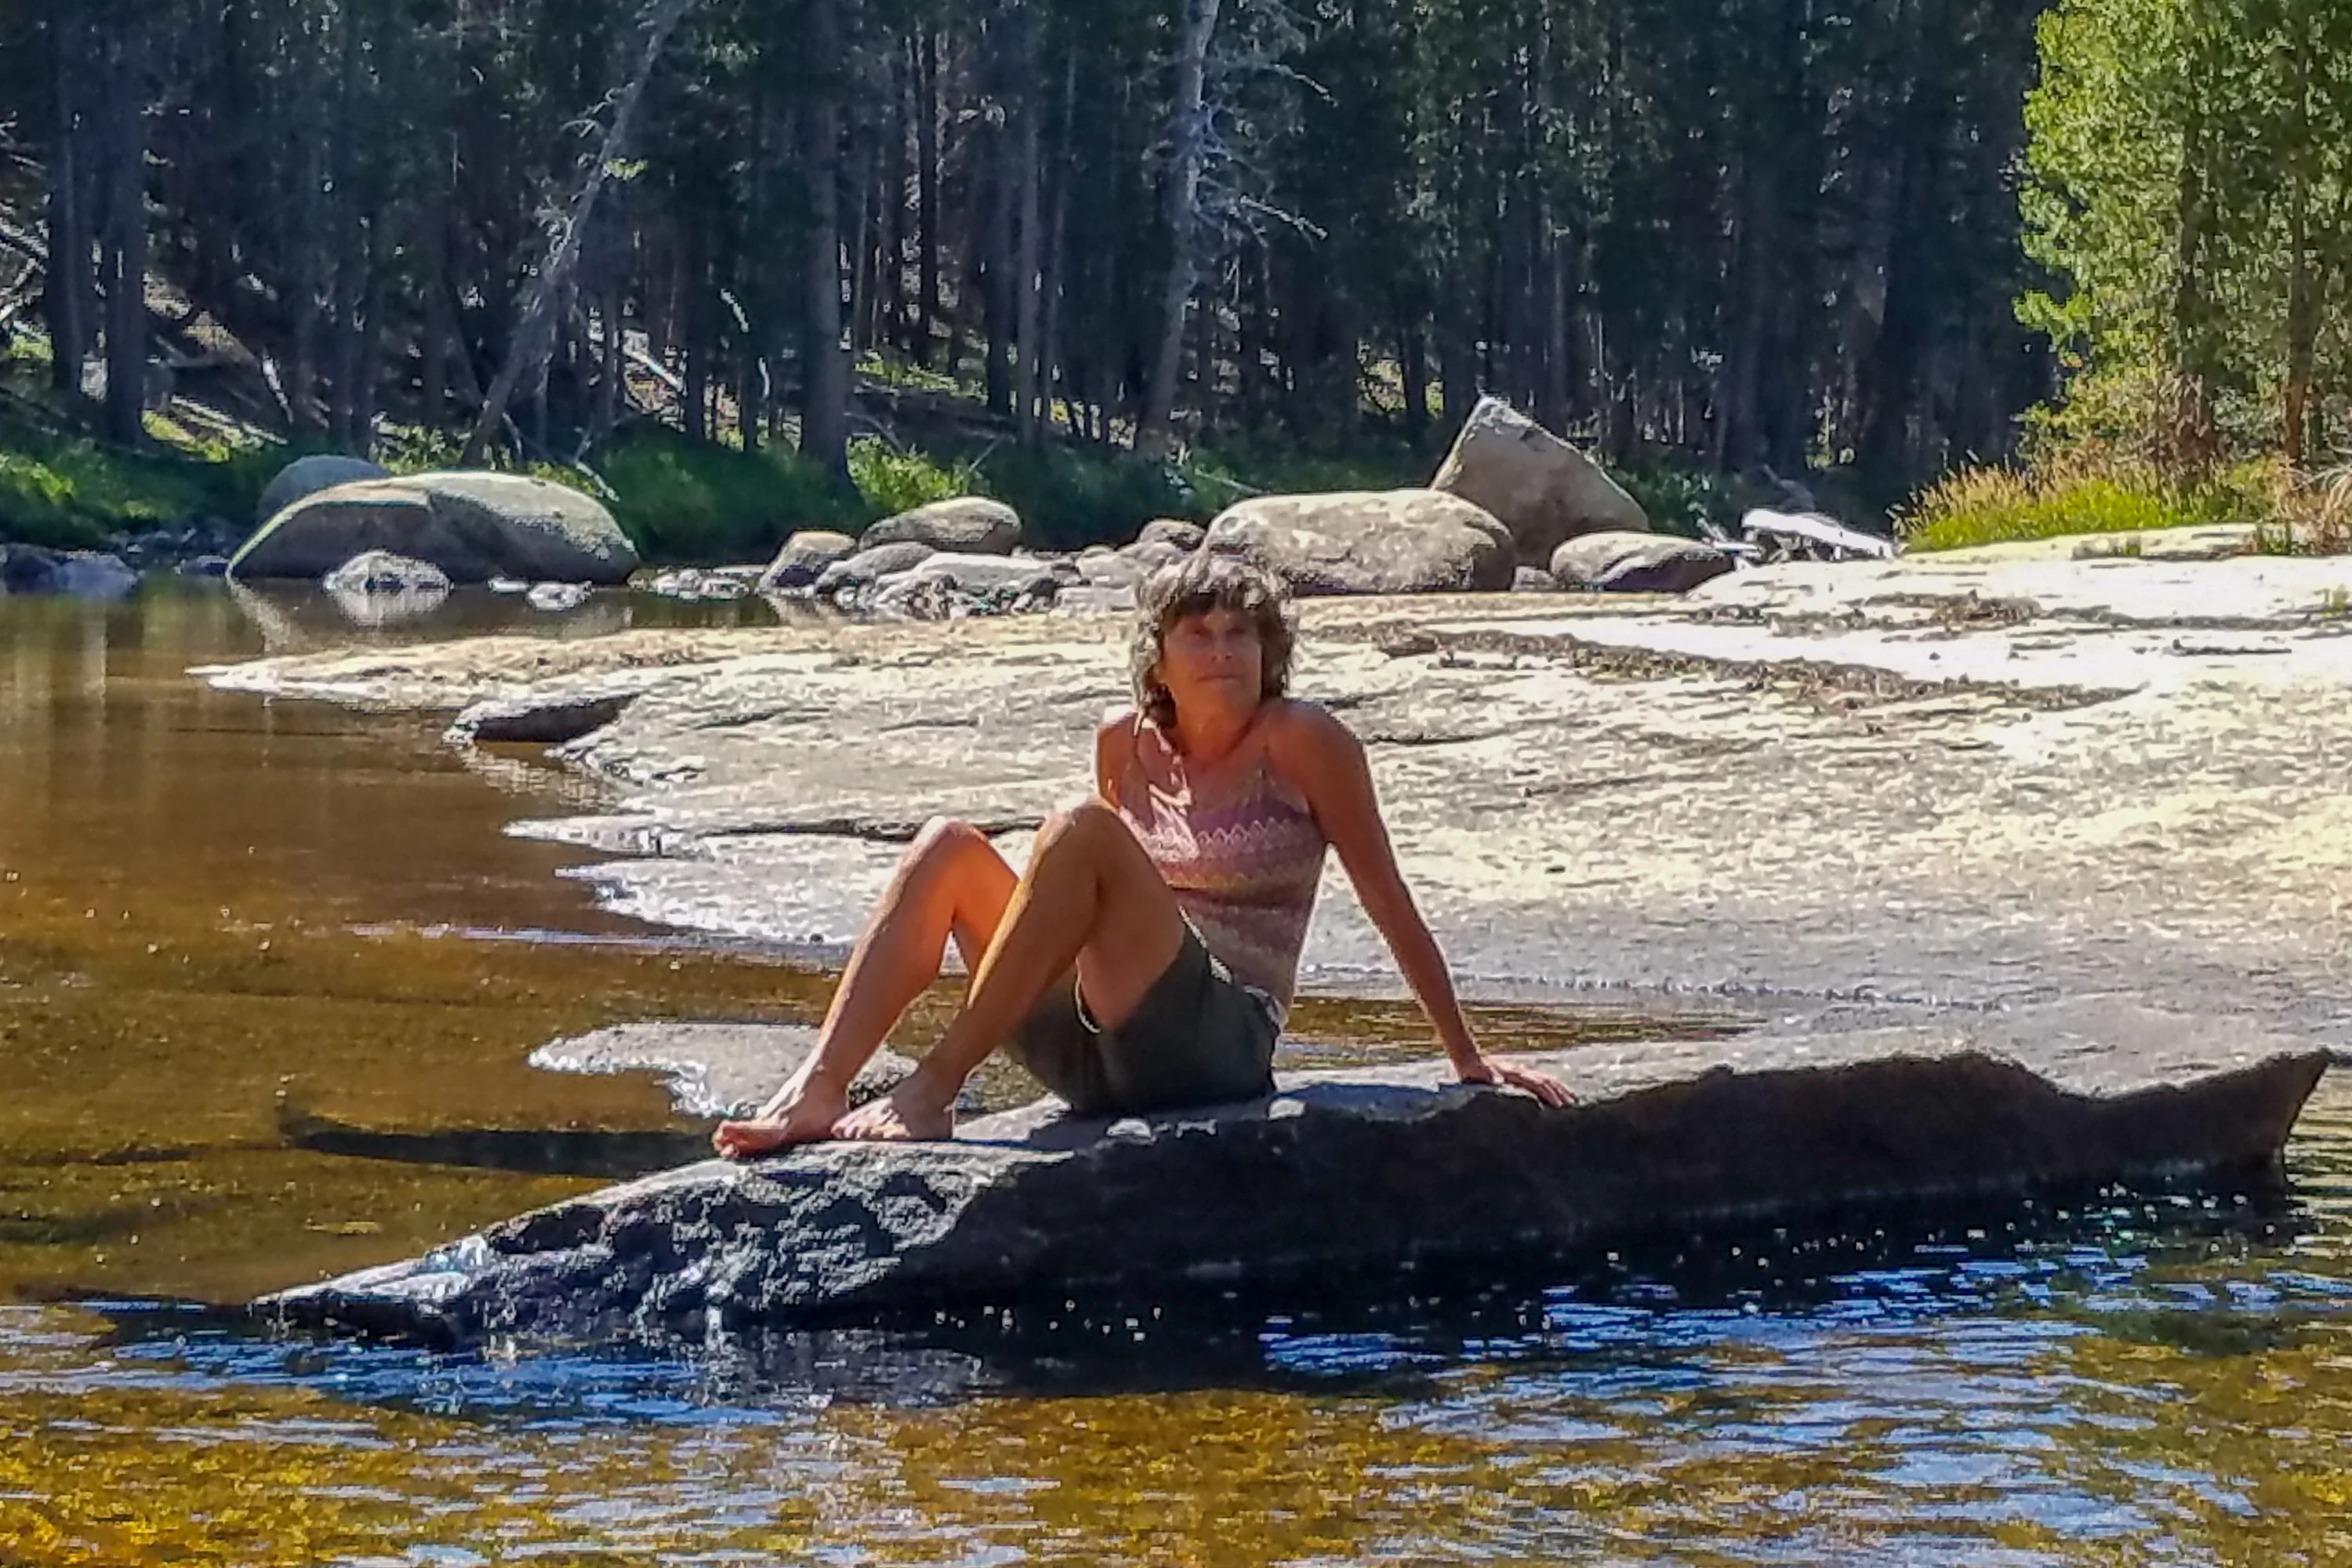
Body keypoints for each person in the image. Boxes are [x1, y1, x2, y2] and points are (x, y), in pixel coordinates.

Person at [713, 551, 1573, 1157]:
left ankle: (931, 1086)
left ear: (1270, 650)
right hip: (1101, 1058)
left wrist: (1465, 1057)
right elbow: (1083, 907)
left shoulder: (1305, 739)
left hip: (1217, 1047)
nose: (1225, 649)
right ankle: (819, 1086)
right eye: (1198, 632)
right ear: (1157, 658)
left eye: (1243, 632)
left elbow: (1388, 897)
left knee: (1079, 827)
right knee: (948, 846)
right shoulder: (1122, 741)